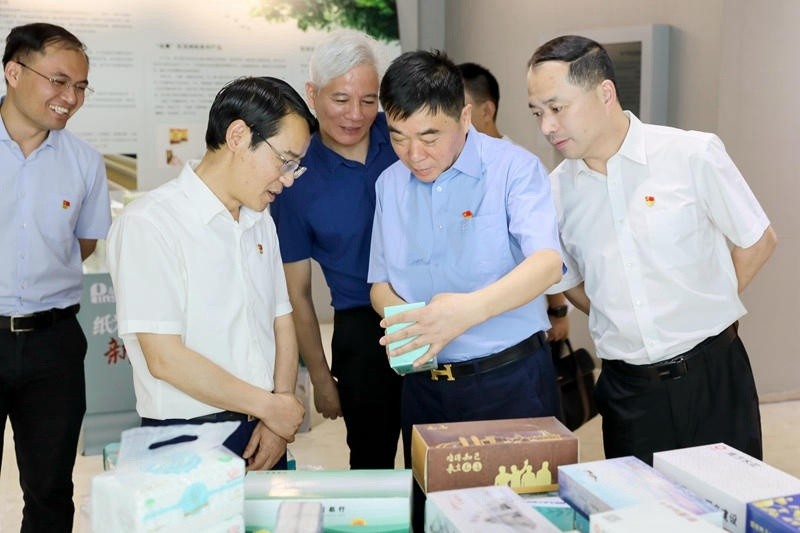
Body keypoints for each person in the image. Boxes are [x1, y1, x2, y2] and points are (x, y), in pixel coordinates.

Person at [526, 35, 777, 465]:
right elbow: (571, 281)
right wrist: (622, 314)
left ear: (605, 93)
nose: (547, 126)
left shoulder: (690, 153)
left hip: (714, 377)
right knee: (640, 502)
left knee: (731, 500)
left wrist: (699, 305)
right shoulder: (555, 193)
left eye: (557, 108)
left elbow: (757, 240)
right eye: (537, 113)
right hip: (628, 393)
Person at [370, 49, 563, 530]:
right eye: (398, 137)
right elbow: (380, 283)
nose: (414, 155)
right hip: (424, 388)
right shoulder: (389, 184)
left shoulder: (513, 169)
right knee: (431, 517)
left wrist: (465, 313)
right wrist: (407, 322)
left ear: (464, 116)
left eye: (429, 136)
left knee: (517, 520)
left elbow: (546, 264)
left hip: (508, 383)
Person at [107, 76, 317, 471]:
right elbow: (164, 358)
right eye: (284, 161)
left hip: (264, 427)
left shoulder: (260, 220)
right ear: (238, 136)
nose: (288, 178)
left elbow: (281, 318)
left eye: (296, 167)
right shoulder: (150, 224)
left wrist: (279, 407)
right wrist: (272, 406)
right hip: (185, 436)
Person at [270, 30, 402, 469]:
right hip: (361, 332)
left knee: (436, 454)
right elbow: (297, 294)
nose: (356, 114)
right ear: (313, 94)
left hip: (428, 316)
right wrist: (321, 377)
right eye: (341, 99)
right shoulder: (296, 177)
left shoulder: (401, 140)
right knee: (371, 460)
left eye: (369, 100)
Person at [0, 22, 111, 531]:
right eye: (59, 81)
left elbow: (84, 243)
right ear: (13, 72)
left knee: (50, 490)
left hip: (54, 342)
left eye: (81, 87)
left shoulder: (84, 162)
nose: (71, 98)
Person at [458, 61, 571, 351]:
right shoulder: (446, 168)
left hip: (517, 333)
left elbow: (547, 249)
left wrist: (558, 310)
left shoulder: (521, 167)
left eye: (460, 108)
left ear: (486, 110)